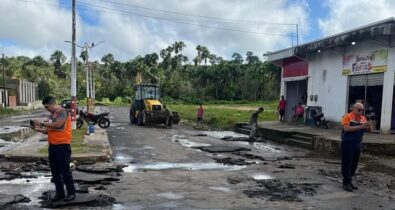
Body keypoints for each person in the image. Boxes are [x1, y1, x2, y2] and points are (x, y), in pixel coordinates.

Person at [33, 96, 76, 202]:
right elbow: (49, 130)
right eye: (45, 107)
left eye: (47, 107)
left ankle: (71, 193)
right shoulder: (53, 115)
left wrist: (42, 123)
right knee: (55, 171)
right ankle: (60, 193)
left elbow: (58, 125)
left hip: (62, 145)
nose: (46, 109)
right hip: (53, 145)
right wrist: (38, 129)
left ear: (53, 104)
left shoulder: (62, 112)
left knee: (65, 171)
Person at [340, 102, 371, 192]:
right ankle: (346, 182)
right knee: (347, 162)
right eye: (359, 110)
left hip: (357, 143)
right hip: (347, 143)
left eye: (362, 110)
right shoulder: (347, 117)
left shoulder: (363, 118)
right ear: (354, 109)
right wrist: (362, 126)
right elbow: (346, 129)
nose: (361, 112)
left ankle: (349, 181)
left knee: (354, 163)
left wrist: (368, 127)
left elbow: (366, 129)